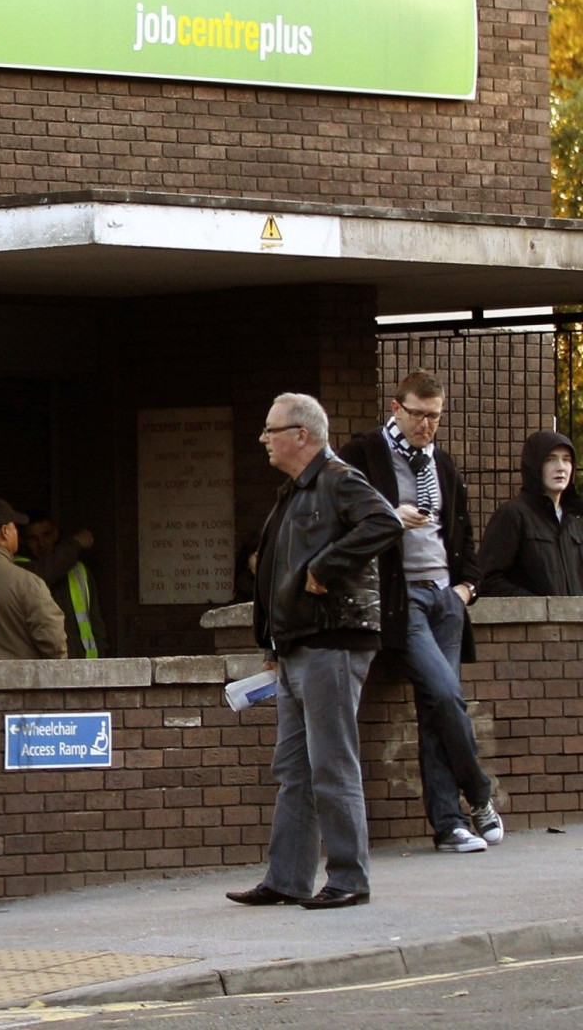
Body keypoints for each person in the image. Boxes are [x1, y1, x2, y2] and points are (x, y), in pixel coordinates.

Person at [226, 393, 403, 910]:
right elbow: (276, 575)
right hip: (300, 646)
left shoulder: (338, 479)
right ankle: (287, 878)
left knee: (331, 764)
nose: (263, 439)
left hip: (333, 642)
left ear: (301, 434)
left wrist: (327, 566)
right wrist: (272, 645)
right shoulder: (296, 491)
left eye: (270, 429)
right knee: (295, 769)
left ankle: (349, 878)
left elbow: (385, 523)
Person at [339, 369, 504, 854]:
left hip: (444, 599)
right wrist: (391, 513)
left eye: (435, 416)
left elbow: (463, 535)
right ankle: (479, 793)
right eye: (418, 415)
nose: (427, 426)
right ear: (396, 407)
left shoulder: (442, 464)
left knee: (436, 708)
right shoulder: (364, 453)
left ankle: (450, 825)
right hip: (400, 598)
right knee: (446, 694)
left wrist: (466, 589)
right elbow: (342, 513)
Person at [479, 430, 583, 596]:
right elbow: (488, 579)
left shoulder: (576, 520)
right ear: (535, 465)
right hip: (531, 620)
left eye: (566, 460)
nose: (561, 468)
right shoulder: (513, 514)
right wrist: (536, 607)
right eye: (550, 460)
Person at [0, 498, 67, 660]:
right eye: (15, 527)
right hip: (19, 682)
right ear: (5, 531)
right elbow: (53, 643)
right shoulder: (27, 583)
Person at [17, 511, 108, 658]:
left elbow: (96, 622)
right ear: (22, 541)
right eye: (33, 538)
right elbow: (46, 572)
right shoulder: (19, 569)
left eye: (46, 535)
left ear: (55, 534)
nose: (41, 543)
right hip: (43, 665)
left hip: (85, 664)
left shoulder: (79, 570)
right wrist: (75, 543)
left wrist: (101, 655)